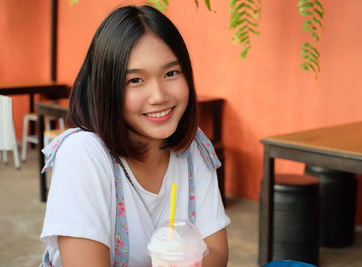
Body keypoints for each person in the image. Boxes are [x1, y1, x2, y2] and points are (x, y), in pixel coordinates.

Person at [40, 5, 230, 267]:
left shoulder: (194, 148)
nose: (159, 96)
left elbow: (217, 252)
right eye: (135, 80)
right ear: (106, 88)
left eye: (171, 73)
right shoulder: (83, 154)